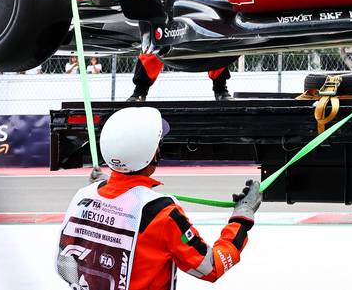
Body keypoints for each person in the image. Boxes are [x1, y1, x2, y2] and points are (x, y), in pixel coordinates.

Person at [57, 106, 261, 289]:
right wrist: (242, 218)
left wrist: (108, 184)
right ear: (153, 154)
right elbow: (211, 267)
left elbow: (65, 264)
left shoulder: (84, 196)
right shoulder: (163, 213)